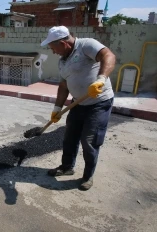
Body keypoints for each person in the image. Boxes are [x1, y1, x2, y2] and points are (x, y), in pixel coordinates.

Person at [40, 26, 116, 191]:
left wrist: (101, 79)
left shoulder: (86, 45)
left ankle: (88, 176)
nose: (53, 52)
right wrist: (57, 108)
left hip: (99, 103)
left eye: (54, 48)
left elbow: (108, 56)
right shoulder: (62, 61)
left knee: (89, 140)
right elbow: (63, 85)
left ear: (63, 43)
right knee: (70, 137)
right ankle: (67, 167)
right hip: (78, 103)